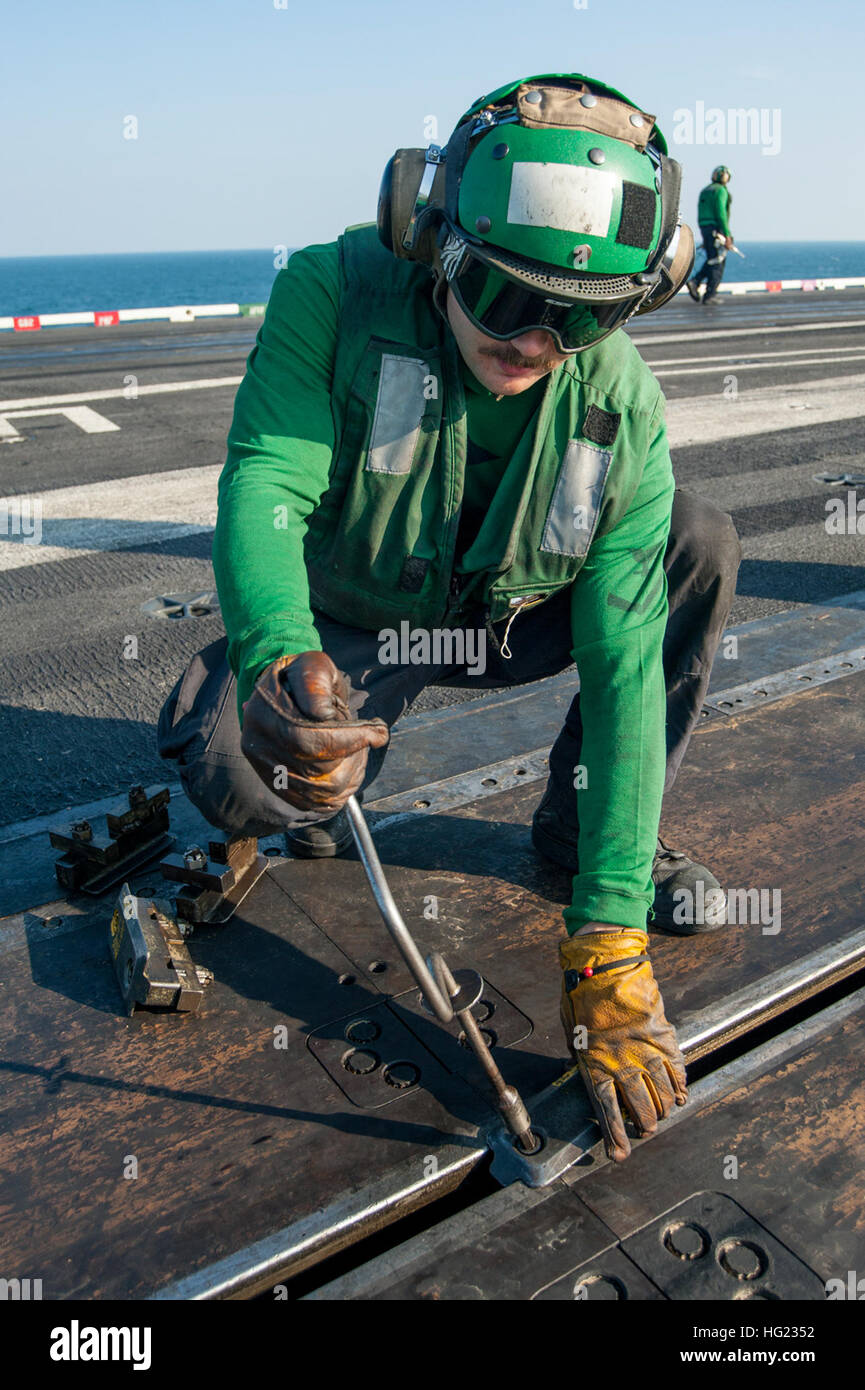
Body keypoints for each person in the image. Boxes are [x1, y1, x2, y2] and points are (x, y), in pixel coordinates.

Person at [158, 72, 742, 1164]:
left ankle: (578, 838)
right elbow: (265, 485)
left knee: (700, 543)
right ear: (434, 240)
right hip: (359, 627)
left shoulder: (622, 407)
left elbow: (620, 669)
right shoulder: (329, 290)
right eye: (507, 299)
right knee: (249, 781)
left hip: (515, 618)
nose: (532, 345)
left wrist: (608, 938)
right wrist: (277, 654)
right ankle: (304, 735)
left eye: (581, 318)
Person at [687, 166, 733, 305]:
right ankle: (710, 295)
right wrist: (727, 234)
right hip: (716, 229)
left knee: (712, 259)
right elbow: (721, 213)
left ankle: (695, 282)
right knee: (718, 262)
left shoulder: (705, 190)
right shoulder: (721, 191)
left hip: (705, 228)